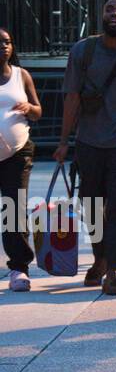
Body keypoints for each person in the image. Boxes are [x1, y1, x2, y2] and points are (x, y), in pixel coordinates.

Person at [56, 0, 116, 297]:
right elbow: (71, 98)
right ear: (101, 15)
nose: (114, 14)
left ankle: (113, 271)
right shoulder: (83, 51)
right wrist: (63, 142)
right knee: (91, 206)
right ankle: (99, 258)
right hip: (88, 141)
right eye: (109, 9)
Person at [0, 28, 41, 292]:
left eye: (7, 42)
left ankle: (19, 268)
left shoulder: (21, 76)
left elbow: (38, 112)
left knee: (13, 209)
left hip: (18, 151)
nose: (4, 46)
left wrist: (29, 108)